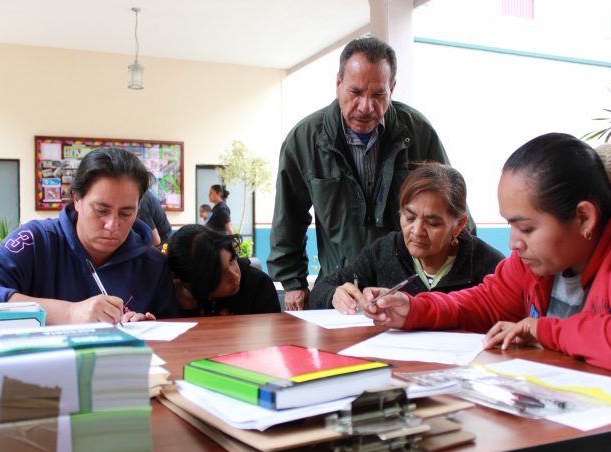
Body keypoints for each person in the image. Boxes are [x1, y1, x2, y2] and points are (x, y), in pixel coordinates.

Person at [364, 133, 611, 452]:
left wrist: (545, 330)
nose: (514, 242)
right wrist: (414, 309)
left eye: (526, 228)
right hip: (561, 441)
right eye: (510, 225)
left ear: (583, 217)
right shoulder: (537, 259)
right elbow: (486, 300)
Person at [268, 36, 457, 312]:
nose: (366, 107)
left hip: (407, 290)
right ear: (338, 84)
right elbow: (289, 217)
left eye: (378, 95)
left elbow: (451, 204)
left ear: (392, 89)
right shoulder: (305, 139)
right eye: (355, 92)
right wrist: (293, 283)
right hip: (341, 289)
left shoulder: (417, 132)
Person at [0, 147, 179, 326]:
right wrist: (68, 312)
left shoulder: (152, 264)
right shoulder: (36, 241)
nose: (112, 225)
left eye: (126, 213)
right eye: (101, 210)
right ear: (77, 200)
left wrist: (144, 324)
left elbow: (172, 329)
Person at [309, 163, 503, 311]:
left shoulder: (488, 266)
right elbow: (321, 289)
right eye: (409, 217)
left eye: (432, 223)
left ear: (459, 225)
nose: (417, 231)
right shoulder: (386, 250)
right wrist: (335, 295)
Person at [168, 224, 280, 316]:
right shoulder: (173, 295)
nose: (234, 275)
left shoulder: (258, 285)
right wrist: (189, 310)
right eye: (219, 274)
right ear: (191, 285)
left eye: (232, 259)